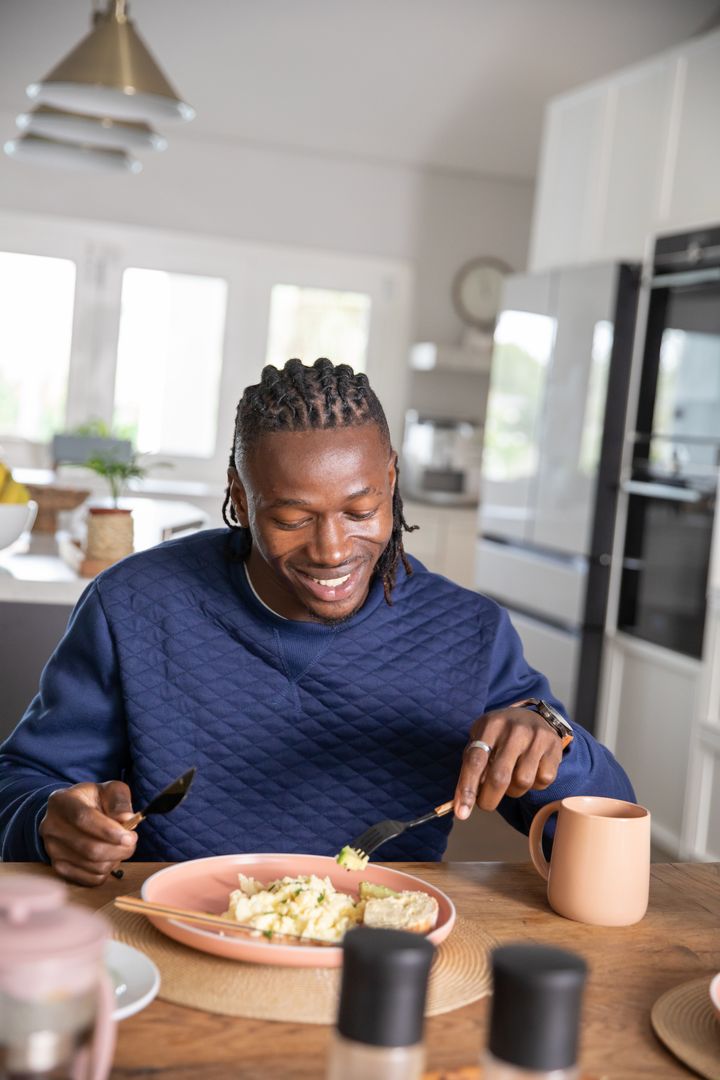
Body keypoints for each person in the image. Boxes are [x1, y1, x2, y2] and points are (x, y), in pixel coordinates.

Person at [0, 359, 634, 886]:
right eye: (293, 518)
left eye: (361, 510)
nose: (332, 550)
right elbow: (22, 784)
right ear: (241, 496)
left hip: (374, 950)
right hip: (165, 930)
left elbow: (607, 819)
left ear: (390, 480)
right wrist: (47, 821)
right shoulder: (134, 603)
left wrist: (555, 739)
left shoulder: (468, 633)